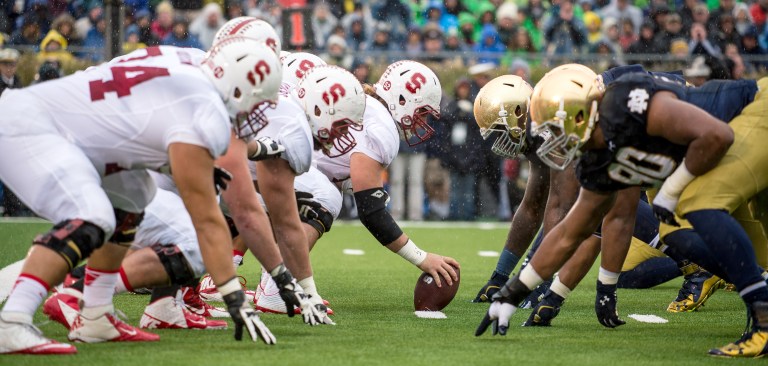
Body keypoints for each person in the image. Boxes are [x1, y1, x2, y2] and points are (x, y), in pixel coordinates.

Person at [0, 37, 282, 354]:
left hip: (61, 127)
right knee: (93, 214)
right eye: (259, 101)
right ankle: (12, 320)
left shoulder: (185, 68)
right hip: (34, 128)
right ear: (239, 89)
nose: (257, 111)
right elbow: (207, 220)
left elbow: (144, 122)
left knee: (134, 196)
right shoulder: (204, 108)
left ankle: (96, 315)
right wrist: (232, 294)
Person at [476, 65, 768, 358]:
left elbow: (715, 135)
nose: (551, 141)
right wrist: (515, 291)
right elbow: (583, 227)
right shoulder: (598, 156)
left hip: (751, 115)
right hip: (720, 148)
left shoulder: (625, 101)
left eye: (553, 129)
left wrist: (669, 192)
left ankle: (762, 317)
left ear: (579, 115)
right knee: (682, 233)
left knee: (695, 205)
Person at [253, 61, 461, 315]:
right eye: (422, 112)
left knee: (258, 203)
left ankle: (230, 279)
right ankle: (276, 289)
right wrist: (421, 257)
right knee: (326, 196)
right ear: (404, 99)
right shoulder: (382, 128)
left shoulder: (366, 102)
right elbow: (371, 211)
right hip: (275, 148)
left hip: (262, 138)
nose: (423, 121)